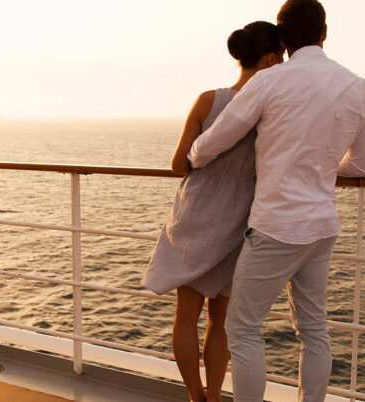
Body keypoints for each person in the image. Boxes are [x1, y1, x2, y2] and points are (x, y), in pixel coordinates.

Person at [188, 1, 365, 401]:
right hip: (322, 226)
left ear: (283, 38)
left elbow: (216, 141)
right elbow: (361, 164)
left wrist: (193, 157)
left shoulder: (270, 82)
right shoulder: (359, 87)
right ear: (325, 33)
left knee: (243, 328)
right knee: (314, 328)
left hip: (275, 227)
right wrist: (323, 169)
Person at [141, 22, 284, 402]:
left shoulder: (209, 100)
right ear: (271, 59)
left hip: (195, 214)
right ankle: (216, 396)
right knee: (220, 320)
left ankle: (195, 396)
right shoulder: (272, 109)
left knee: (185, 315)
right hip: (240, 220)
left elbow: (178, 164)